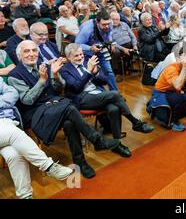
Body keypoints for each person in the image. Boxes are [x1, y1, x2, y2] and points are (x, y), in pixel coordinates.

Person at [8, 40, 120, 178]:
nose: (31, 54)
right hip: (36, 114)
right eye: (27, 51)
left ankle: (81, 162)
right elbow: (27, 100)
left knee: (69, 122)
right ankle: (97, 140)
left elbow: (58, 90)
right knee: (70, 107)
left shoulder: (45, 66)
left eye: (34, 50)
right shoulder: (14, 75)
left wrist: (55, 76)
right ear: (19, 55)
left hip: (55, 106)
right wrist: (42, 81)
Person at [60, 43, 154, 157]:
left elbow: (104, 80)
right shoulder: (65, 70)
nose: (80, 57)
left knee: (114, 109)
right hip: (82, 98)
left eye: (81, 54)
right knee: (115, 94)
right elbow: (76, 87)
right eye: (76, 56)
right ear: (69, 57)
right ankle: (135, 122)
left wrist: (96, 72)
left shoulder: (86, 62)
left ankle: (117, 144)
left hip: (97, 93)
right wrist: (89, 71)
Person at [0, 79, 74, 199]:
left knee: (15, 156)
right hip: (7, 129)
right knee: (15, 134)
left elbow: (12, 93)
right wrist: (4, 101)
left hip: (8, 123)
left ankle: (25, 196)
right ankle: (49, 166)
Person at [147, 53, 186, 132]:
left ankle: (172, 113)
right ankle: (174, 123)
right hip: (161, 93)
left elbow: (183, 84)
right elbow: (178, 86)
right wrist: (185, 67)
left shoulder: (183, 67)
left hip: (171, 91)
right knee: (183, 99)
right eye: (185, 56)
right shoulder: (172, 69)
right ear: (178, 58)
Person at [75, 10, 118, 91]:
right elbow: (77, 44)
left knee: (109, 72)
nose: (107, 26)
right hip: (87, 53)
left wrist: (111, 42)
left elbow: (109, 33)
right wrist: (90, 48)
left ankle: (115, 94)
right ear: (97, 23)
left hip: (101, 50)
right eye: (104, 25)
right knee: (91, 74)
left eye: (108, 24)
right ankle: (99, 94)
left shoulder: (109, 23)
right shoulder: (87, 29)